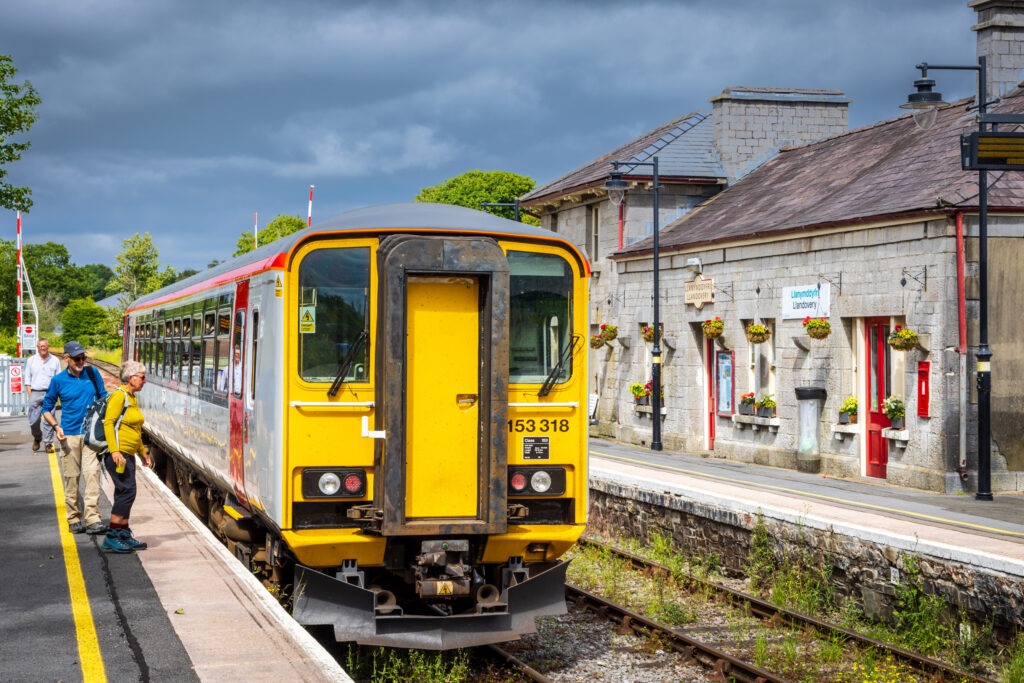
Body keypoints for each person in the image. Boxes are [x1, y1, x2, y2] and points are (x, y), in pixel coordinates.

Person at [41, 341, 108, 535]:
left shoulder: (93, 375)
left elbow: (104, 399)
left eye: (83, 358)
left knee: (93, 473)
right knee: (72, 477)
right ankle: (73, 517)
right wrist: (56, 427)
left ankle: (93, 517)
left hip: (91, 435)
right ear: (66, 358)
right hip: (68, 434)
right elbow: (46, 408)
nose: (81, 361)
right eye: (77, 358)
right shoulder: (58, 380)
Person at [100, 361, 152, 553]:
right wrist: (114, 451)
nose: (145, 381)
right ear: (131, 379)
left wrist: (142, 452)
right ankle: (112, 537)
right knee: (126, 492)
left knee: (126, 492)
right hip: (118, 455)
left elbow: (136, 430)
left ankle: (123, 533)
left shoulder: (132, 397)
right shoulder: (118, 396)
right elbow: (108, 423)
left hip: (128, 454)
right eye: (142, 377)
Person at [24, 338, 62, 454]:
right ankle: (37, 437)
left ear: (48, 346)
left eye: (45, 345)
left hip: (50, 393)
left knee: (48, 419)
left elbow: (58, 378)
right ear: (37, 347)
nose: (43, 347)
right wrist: (30, 394)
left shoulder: (55, 360)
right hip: (35, 392)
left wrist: (57, 394)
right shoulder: (31, 360)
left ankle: (48, 443)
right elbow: (27, 379)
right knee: (33, 421)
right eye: (41, 345)